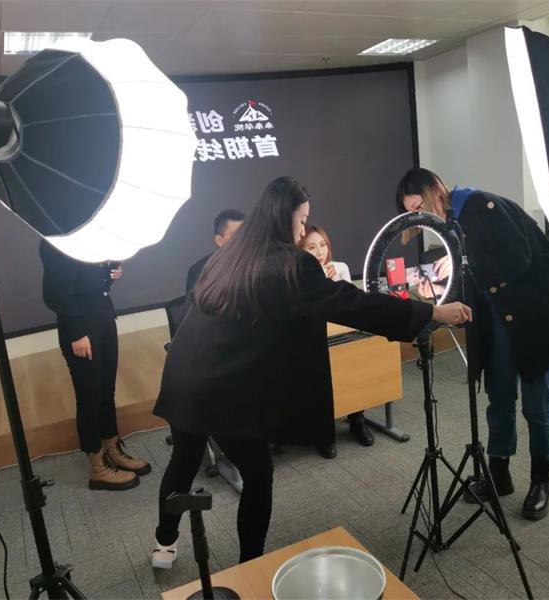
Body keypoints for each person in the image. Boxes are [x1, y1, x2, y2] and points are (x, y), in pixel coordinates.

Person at [151, 176, 472, 568]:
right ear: (283, 216)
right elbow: (351, 304)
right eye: (302, 220)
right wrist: (431, 311)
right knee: (258, 475)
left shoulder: (228, 256)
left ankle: (163, 544)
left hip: (184, 376)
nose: (303, 231)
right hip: (221, 389)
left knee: (184, 460)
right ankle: (250, 569)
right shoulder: (291, 264)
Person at [395, 168, 549, 520]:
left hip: (533, 317)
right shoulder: (452, 222)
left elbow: (517, 259)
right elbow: (475, 280)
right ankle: (498, 476)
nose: (420, 217)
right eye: (413, 212)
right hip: (497, 321)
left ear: (435, 189)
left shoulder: (482, 205)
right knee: (499, 399)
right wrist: (439, 289)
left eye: (419, 207)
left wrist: (462, 259)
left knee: (536, 404)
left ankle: (541, 481)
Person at [40, 241, 151, 491]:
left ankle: (113, 449)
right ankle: (98, 467)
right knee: (89, 396)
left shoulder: (87, 239)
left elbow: (92, 281)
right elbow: (54, 295)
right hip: (80, 328)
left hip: (104, 318)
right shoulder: (55, 243)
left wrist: (111, 274)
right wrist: (77, 333)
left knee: (106, 392)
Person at [299, 225, 371, 458]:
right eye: (311, 247)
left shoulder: (340, 268)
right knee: (320, 379)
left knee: (355, 362)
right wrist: (321, 283)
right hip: (314, 340)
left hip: (343, 336)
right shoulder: (299, 276)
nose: (320, 252)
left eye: (323, 245)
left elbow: (350, 306)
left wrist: (333, 285)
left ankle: (357, 419)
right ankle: (324, 433)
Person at [186, 209, 245, 293]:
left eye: (245, 233)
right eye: (236, 235)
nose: (243, 238)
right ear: (219, 240)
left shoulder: (258, 263)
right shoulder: (199, 272)